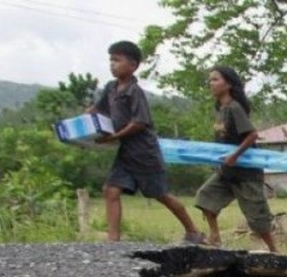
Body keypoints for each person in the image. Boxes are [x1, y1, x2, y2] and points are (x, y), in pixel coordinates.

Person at [87, 41, 203, 243]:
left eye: (117, 60)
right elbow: (97, 110)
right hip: (125, 154)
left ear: (132, 66)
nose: (112, 64)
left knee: (161, 194)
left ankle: (193, 231)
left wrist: (114, 137)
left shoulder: (134, 92)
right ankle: (113, 241)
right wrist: (80, 124)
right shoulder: (111, 88)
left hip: (144, 153)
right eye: (110, 60)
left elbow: (140, 123)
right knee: (110, 190)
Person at [194, 66, 277, 252]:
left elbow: (252, 135)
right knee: (205, 196)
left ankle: (274, 249)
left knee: (257, 217)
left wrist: (234, 155)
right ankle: (215, 237)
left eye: (215, 79)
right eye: (210, 80)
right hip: (226, 171)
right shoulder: (220, 109)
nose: (211, 83)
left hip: (246, 173)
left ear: (228, 84)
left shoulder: (234, 108)